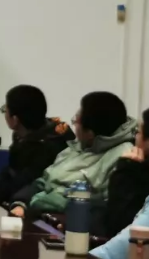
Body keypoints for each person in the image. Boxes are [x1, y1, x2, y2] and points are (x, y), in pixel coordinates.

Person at [9, 91, 136, 219]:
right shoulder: (77, 147)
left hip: (73, 221)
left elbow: (100, 202)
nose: (74, 126)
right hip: (42, 213)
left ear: (90, 134)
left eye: (76, 122)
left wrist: (44, 201)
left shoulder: (124, 157)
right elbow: (43, 181)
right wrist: (21, 202)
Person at [0, 85, 74, 206]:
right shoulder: (22, 136)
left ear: (15, 119)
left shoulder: (49, 145)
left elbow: (24, 182)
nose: (4, 114)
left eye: (5, 110)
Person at [97, 109, 149, 238]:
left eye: (137, 132)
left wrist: (126, 169)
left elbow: (117, 225)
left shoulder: (134, 172)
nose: (135, 138)